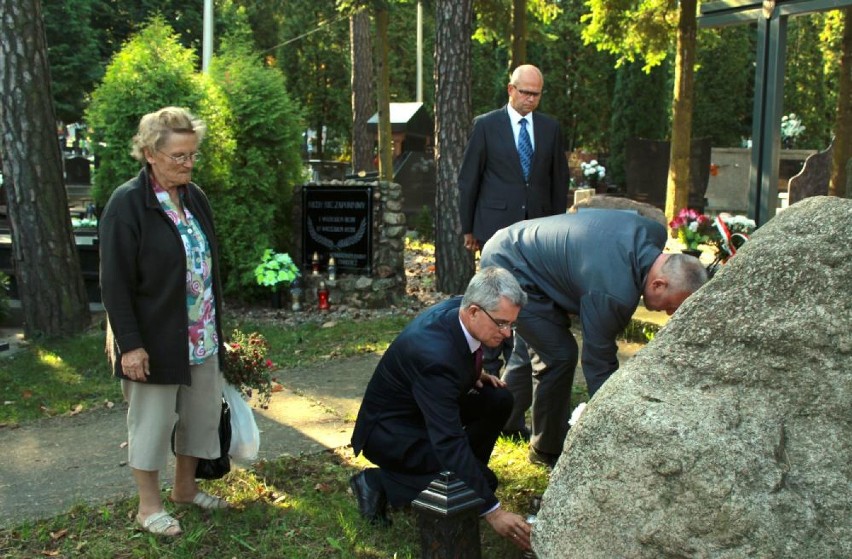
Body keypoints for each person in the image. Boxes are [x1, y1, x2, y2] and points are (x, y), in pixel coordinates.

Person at [480, 210, 708, 468]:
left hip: (522, 247)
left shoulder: (652, 232)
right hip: (509, 265)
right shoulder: (614, 292)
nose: (669, 314)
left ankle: (502, 422)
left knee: (539, 343)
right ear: (658, 284)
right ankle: (546, 449)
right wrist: (618, 429)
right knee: (558, 355)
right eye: (673, 306)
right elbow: (598, 365)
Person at [99, 107, 229, 537]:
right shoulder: (127, 205)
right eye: (179, 156)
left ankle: (185, 490)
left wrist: (215, 329)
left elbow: (206, 269)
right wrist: (130, 344)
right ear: (151, 153)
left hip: (200, 333)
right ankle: (148, 506)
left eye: (192, 155)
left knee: (198, 415)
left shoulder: (195, 198)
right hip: (152, 338)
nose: (188, 164)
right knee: (152, 423)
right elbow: (114, 284)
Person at [349, 267, 534, 552]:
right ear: (474, 311)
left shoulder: (459, 310)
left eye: (512, 324)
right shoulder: (434, 356)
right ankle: (377, 483)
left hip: (421, 410)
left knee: (498, 399)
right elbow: (448, 438)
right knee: (484, 483)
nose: (507, 334)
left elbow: (457, 356)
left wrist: (473, 374)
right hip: (390, 434)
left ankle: (460, 482)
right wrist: (492, 510)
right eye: (500, 324)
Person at [457, 63, 569, 394]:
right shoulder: (487, 125)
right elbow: (469, 180)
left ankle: (520, 359)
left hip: (537, 231)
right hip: (494, 229)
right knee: (494, 297)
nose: (530, 99)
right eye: (525, 92)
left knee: (530, 297)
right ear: (511, 89)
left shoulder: (550, 128)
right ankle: (486, 371)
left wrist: (557, 228)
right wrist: (468, 228)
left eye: (536, 94)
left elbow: (558, 181)